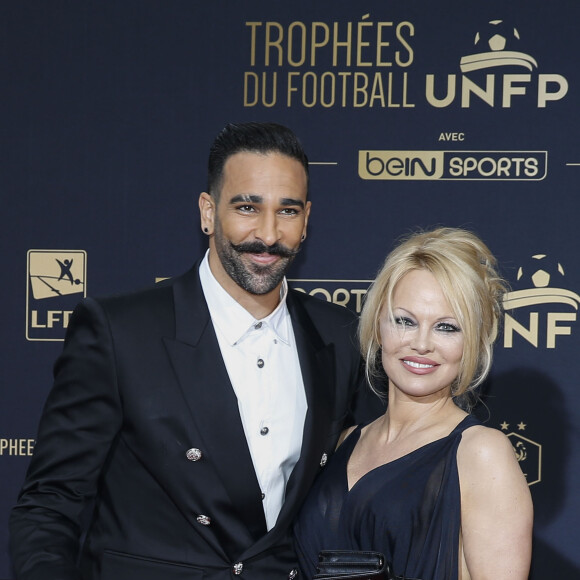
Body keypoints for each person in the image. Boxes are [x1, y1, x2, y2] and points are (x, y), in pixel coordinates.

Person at [9, 122, 372, 580]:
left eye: (288, 211)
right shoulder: (120, 332)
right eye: (246, 207)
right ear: (207, 212)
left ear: (306, 222)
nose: (267, 233)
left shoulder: (340, 334)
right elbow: (49, 504)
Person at [294, 227, 533, 580]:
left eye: (447, 327)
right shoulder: (345, 442)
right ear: (378, 326)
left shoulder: (481, 453)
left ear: (473, 342)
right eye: (404, 321)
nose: (421, 344)